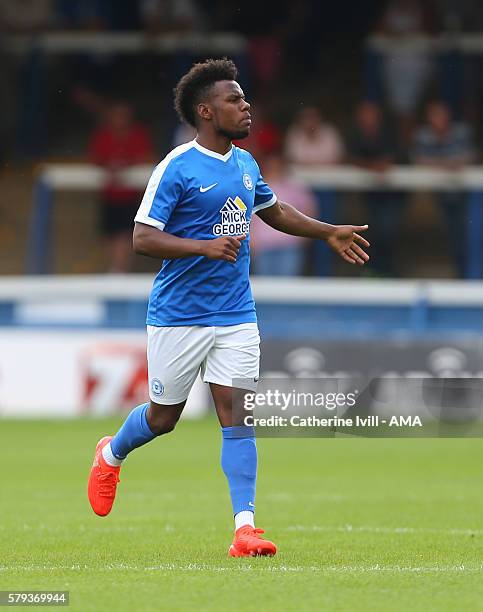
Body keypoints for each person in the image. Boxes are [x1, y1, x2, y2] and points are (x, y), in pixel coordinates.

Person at [87, 59, 370, 557]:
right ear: (205, 110)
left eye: (245, 99)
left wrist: (327, 231)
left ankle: (245, 529)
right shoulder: (176, 166)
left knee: (236, 414)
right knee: (163, 418)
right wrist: (203, 247)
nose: (247, 107)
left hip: (236, 313)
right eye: (234, 100)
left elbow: (274, 210)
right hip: (178, 315)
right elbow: (141, 237)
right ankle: (111, 453)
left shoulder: (245, 163)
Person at [412, 100, 475, 276]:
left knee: (463, 236)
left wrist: (440, 164)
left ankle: (465, 274)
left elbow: (467, 158)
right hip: (433, 197)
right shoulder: (423, 135)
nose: (439, 120)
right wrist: (447, 165)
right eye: (434, 116)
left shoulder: (461, 132)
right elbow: (419, 160)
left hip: (463, 196)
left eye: (441, 115)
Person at [88, 101, 153, 272]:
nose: (120, 119)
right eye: (116, 115)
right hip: (109, 196)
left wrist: (125, 166)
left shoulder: (137, 135)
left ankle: (120, 269)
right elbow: (95, 158)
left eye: (123, 115)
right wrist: (109, 166)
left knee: (126, 234)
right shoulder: (103, 135)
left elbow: (145, 157)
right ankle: (115, 268)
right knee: (109, 234)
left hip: (130, 197)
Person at [347, 101, 404, 276]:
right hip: (369, 197)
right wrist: (372, 167)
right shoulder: (355, 136)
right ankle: (374, 271)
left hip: (392, 196)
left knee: (387, 232)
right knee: (371, 234)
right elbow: (350, 158)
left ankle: (388, 272)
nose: (368, 118)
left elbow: (395, 157)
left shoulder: (389, 134)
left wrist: (381, 165)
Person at [250, 153, 317, 275]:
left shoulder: (295, 186)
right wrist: (251, 241)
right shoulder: (254, 187)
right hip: (264, 245)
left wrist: (304, 236)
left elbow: (309, 210)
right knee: (265, 286)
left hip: (289, 244)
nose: (273, 169)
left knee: (288, 284)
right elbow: (249, 217)